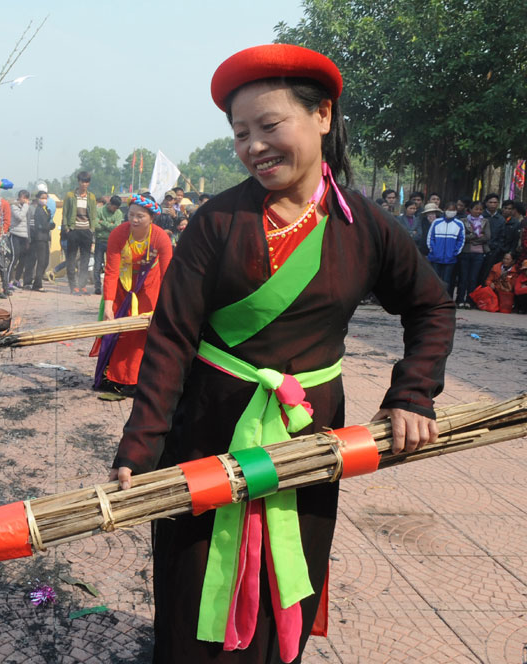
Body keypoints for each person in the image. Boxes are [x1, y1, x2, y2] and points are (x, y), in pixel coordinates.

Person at [110, 44, 454, 663]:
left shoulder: (367, 227)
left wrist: (412, 393)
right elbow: (170, 338)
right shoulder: (216, 222)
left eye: (269, 126)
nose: (253, 146)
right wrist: (142, 445)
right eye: (241, 133)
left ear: (322, 115)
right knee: (195, 584)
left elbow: (431, 308)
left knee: (287, 576)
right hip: (209, 431)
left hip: (308, 438)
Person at [91, 193, 172, 396]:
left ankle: (138, 379)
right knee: (118, 331)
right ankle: (115, 377)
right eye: (131, 214)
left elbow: (168, 276)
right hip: (122, 286)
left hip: (149, 287)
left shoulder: (160, 237)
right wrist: (108, 307)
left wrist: (164, 308)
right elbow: (110, 271)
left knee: (141, 334)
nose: (134, 220)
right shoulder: (118, 234)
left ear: (152, 218)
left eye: (140, 216)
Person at [61, 171, 98, 295]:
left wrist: (92, 229)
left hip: (86, 230)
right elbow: (65, 212)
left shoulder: (91, 197)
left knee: (85, 260)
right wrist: (67, 227)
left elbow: (93, 215)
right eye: (82, 181)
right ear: (79, 182)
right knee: (71, 259)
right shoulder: (70, 196)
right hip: (73, 229)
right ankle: (73, 286)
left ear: (89, 183)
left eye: (87, 182)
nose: (84, 184)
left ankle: (82, 285)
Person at [456, 201, 490, 307]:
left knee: (473, 278)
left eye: (480, 209)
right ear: (470, 210)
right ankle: (460, 299)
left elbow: (487, 237)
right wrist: (476, 236)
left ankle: (470, 301)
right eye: (476, 209)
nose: (478, 211)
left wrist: (472, 238)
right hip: (465, 252)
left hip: (479, 254)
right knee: (463, 277)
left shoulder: (485, 221)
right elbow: (462, 237)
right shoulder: (463, 221)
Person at [426, 201, 465, 294]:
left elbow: (461, 240)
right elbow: (430, 237)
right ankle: (434, 298)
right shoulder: (436, 222)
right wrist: (433, 250)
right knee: (435, 279)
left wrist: (455, 252)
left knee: (447, 280)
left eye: (453, 210)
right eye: (449, 210)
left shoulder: (459, 224)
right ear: (444, 210)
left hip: (450, 258)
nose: (451, 211)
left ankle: (444, 298)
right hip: (436, 257)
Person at [93, 195, 123, 295]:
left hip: (112, 242)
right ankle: (97, 286)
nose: (115, 210)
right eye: (114, 207)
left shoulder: (118, 213)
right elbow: (96, 226)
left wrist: (103, 222)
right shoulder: (99, 211)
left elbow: (116, 228)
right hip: (100, 241)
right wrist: (110, 225)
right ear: (110, 204)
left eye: (117, 208)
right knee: (97, 265)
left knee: (111, 266)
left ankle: (109, 286)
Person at [25, 190, 54, 291]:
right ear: (38, 198)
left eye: (46, 198)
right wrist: (50, 226)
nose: (44, 200)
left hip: (45, 238)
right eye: (42, 197)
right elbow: (42, 225)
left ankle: (37, 281)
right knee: (41, 261)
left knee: (45, 261)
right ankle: (38, 284)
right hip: (39, 238)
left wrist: (49, 216)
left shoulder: (44, 209)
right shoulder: (38, 210)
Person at [9, 189, 31, 288]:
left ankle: (17, 280)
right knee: (14, 258)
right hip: (15, 235)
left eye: (27, 198)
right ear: (19, 197)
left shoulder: (26, 207)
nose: (25, 200)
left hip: (25, 236)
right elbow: (20, 217)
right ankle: (9, 281)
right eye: (23, 197)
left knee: (23, 259)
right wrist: (26, 206)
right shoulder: (14, 206)